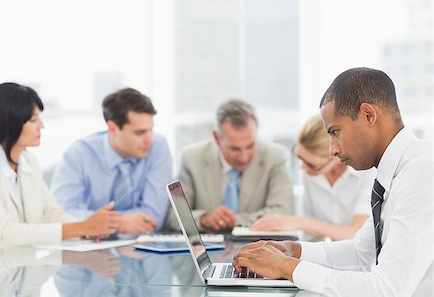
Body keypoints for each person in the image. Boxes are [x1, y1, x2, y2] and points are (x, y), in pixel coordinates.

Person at [232, 67, 433, 296]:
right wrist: (292, 250)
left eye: (335, 132)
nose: (332, 149)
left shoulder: (422, 172)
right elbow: (360, 252)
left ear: (369, 115)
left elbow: (385, 290)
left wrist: (285, 266)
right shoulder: (395, 173)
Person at [0, 83, 121, 256]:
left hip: (21, 272)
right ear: (8, 123)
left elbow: (50, 214)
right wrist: (81, 227)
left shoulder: (28, 161)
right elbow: (4, 234)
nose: (41, 126)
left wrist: (89, 229)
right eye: (33, 120)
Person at [51, 87, 172, 234]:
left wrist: (99, 222)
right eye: (140, 132)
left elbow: (153, 217)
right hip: (91, 248)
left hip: (142, 248)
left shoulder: (158, 147)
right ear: (113, 128)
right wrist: (118, 223)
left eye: (151, 130)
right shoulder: (79, 154)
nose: (149, 140)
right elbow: (61, 215)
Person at [172, 99, 294, 232]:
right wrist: (203, 219)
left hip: (259, 246)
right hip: (210, 246)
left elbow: (283, 213)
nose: (244, 156)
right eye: (235, 149)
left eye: (250, 146)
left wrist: (229, 221)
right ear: (217, 139)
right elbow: (174, 215)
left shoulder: (276, 157)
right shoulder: (191, 158)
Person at [250, 115, 375, 241]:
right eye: (301, 159)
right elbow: (312, 235)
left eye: (312, 164)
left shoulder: (367, 173)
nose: (303, 168)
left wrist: (302, 223)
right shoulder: (311, 173)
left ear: (337, 155)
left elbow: (358, 234)